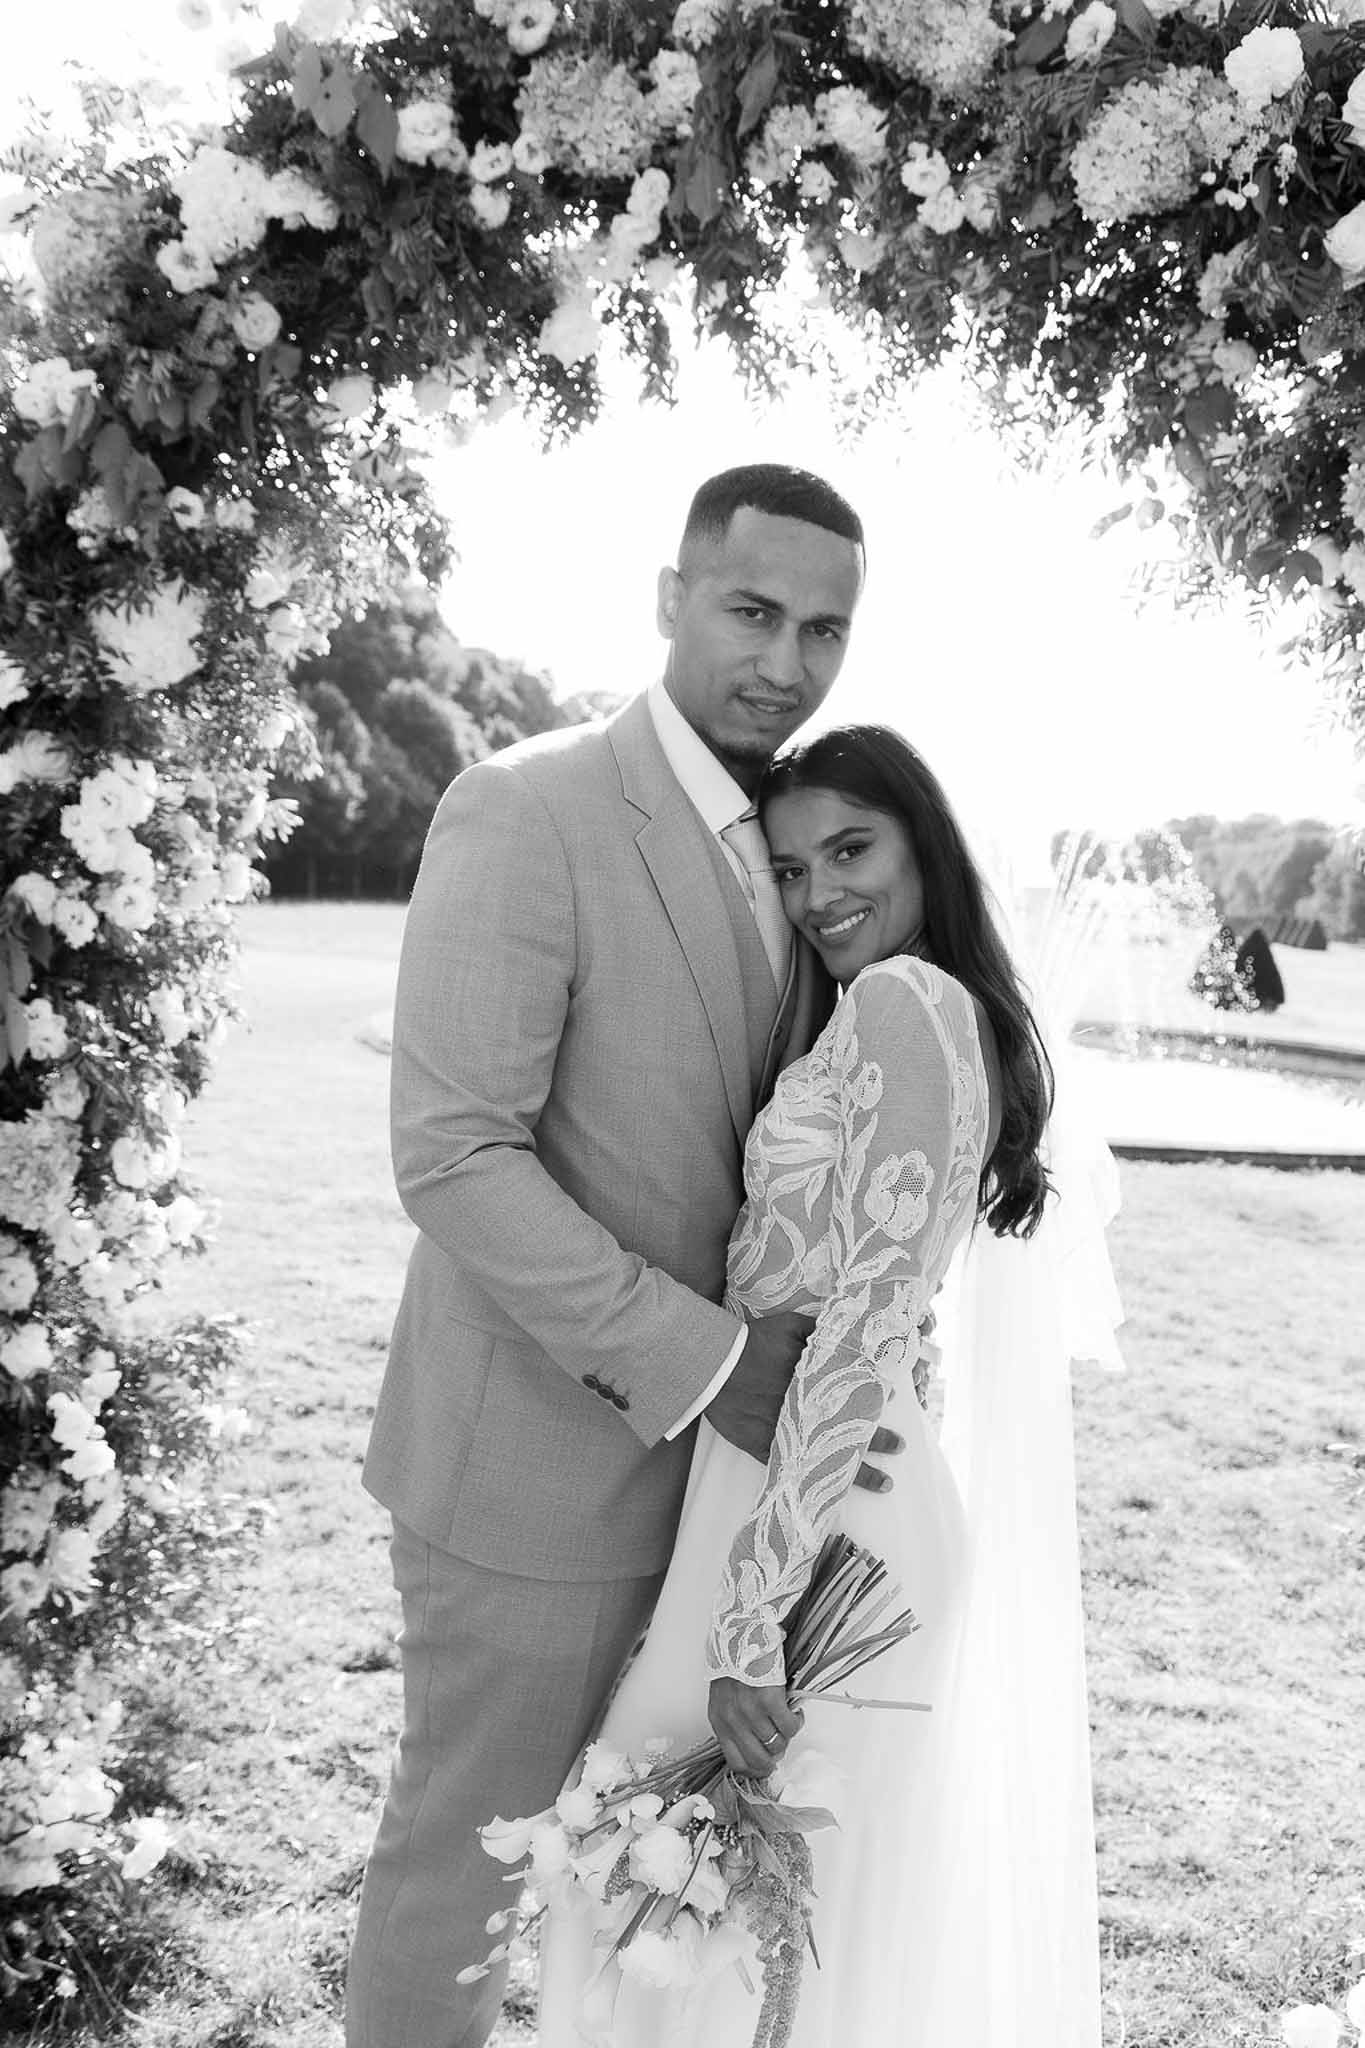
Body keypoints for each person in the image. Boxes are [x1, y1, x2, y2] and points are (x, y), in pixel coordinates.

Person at [346, 466, 908, 2048]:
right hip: (534, 1475)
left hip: (732, 1513)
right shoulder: (529, 805)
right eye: (750, 612)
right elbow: (452, 1153)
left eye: (822, 629)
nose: (785, 664)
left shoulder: (803, 838)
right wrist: (717, 1366)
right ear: (667, 597)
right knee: (469, 1881)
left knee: (659, 1895)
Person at [537, 725, 1108, 2048]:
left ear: (924, 848)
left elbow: (864, 1315)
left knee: (739, 1933)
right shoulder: (892, 1009)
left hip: (820, 1530)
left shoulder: (907, 1003)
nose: (817, 894)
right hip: (805, 1485)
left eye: (849, 849)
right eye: (790, 868)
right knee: (722, 1927)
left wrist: (750, 1624)